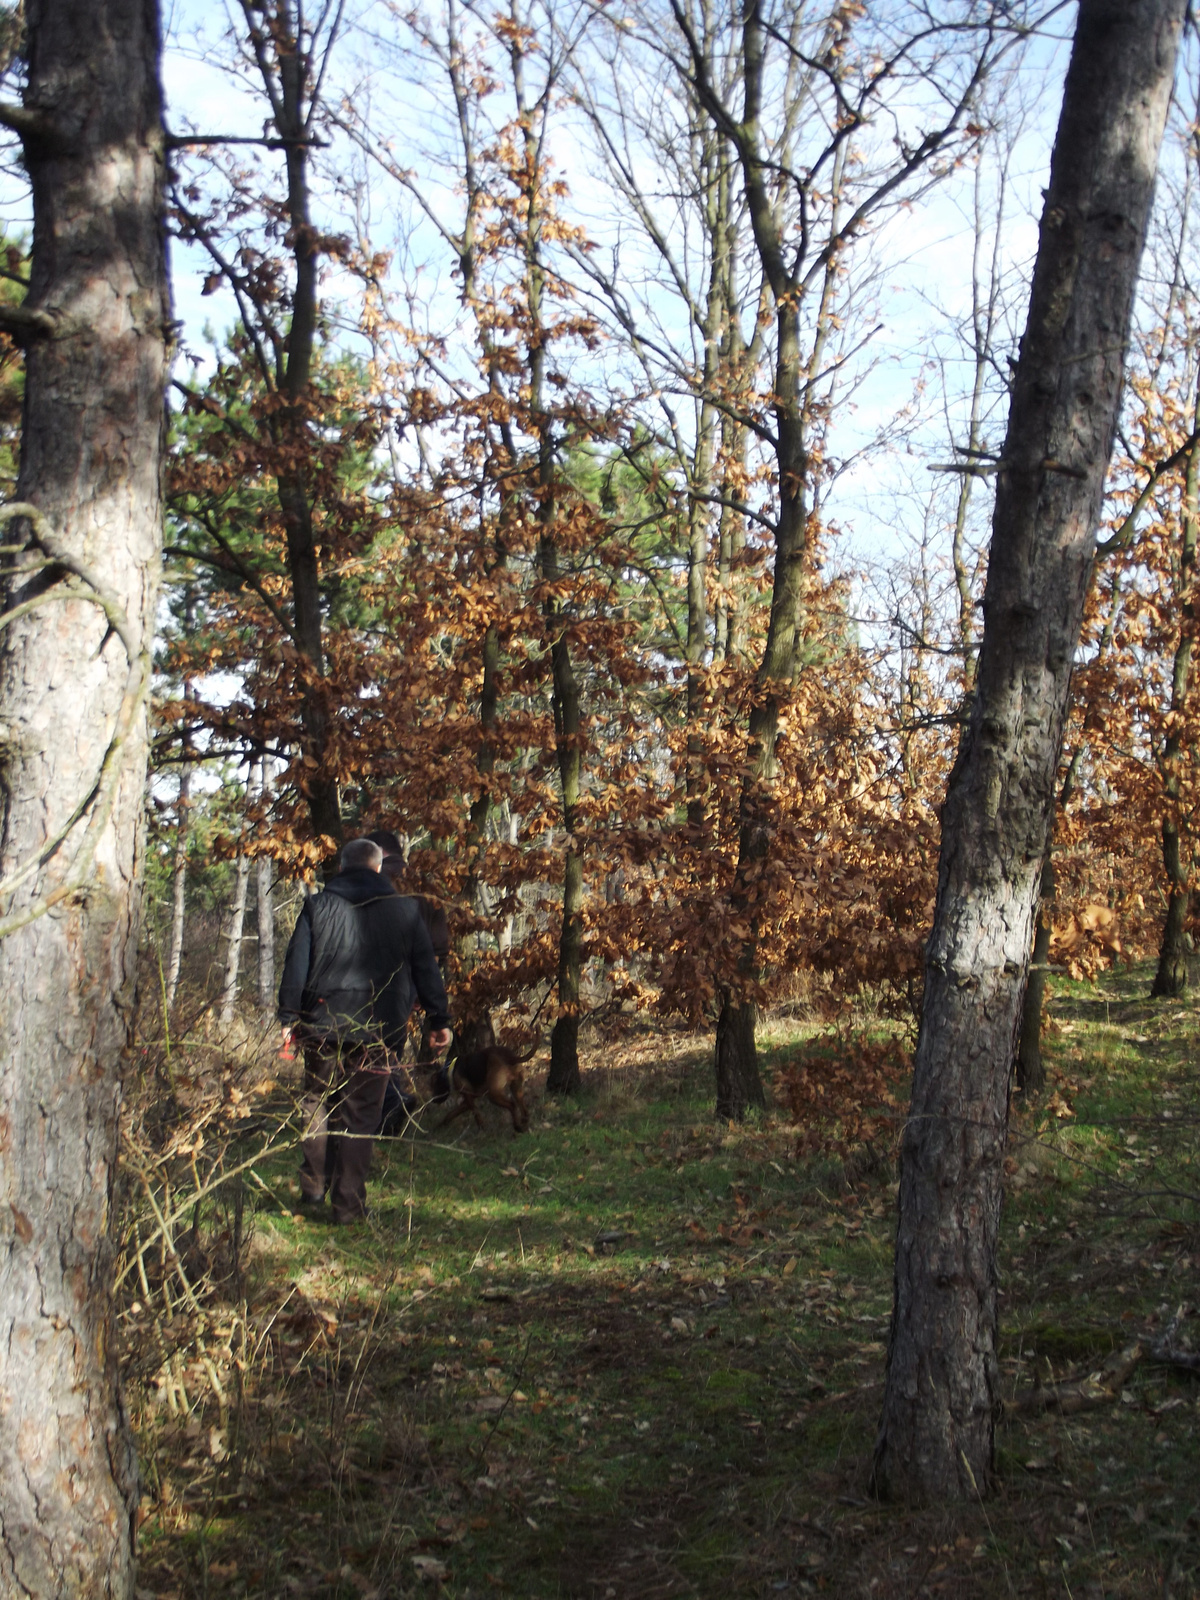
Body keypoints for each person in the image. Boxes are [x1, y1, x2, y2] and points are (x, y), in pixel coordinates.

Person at [278, 837, 452, 1223]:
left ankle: (313, 1185)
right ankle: (348, 1206)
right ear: (378, 868)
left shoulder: (317, 905)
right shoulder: (406, 911)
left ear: (340, 868)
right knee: (361, 1115)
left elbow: (296, 965)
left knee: (316, 1101)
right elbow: (427, 968)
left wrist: (289, 1018)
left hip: (321, 1023)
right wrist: (439, 1020)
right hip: (378, 1027)